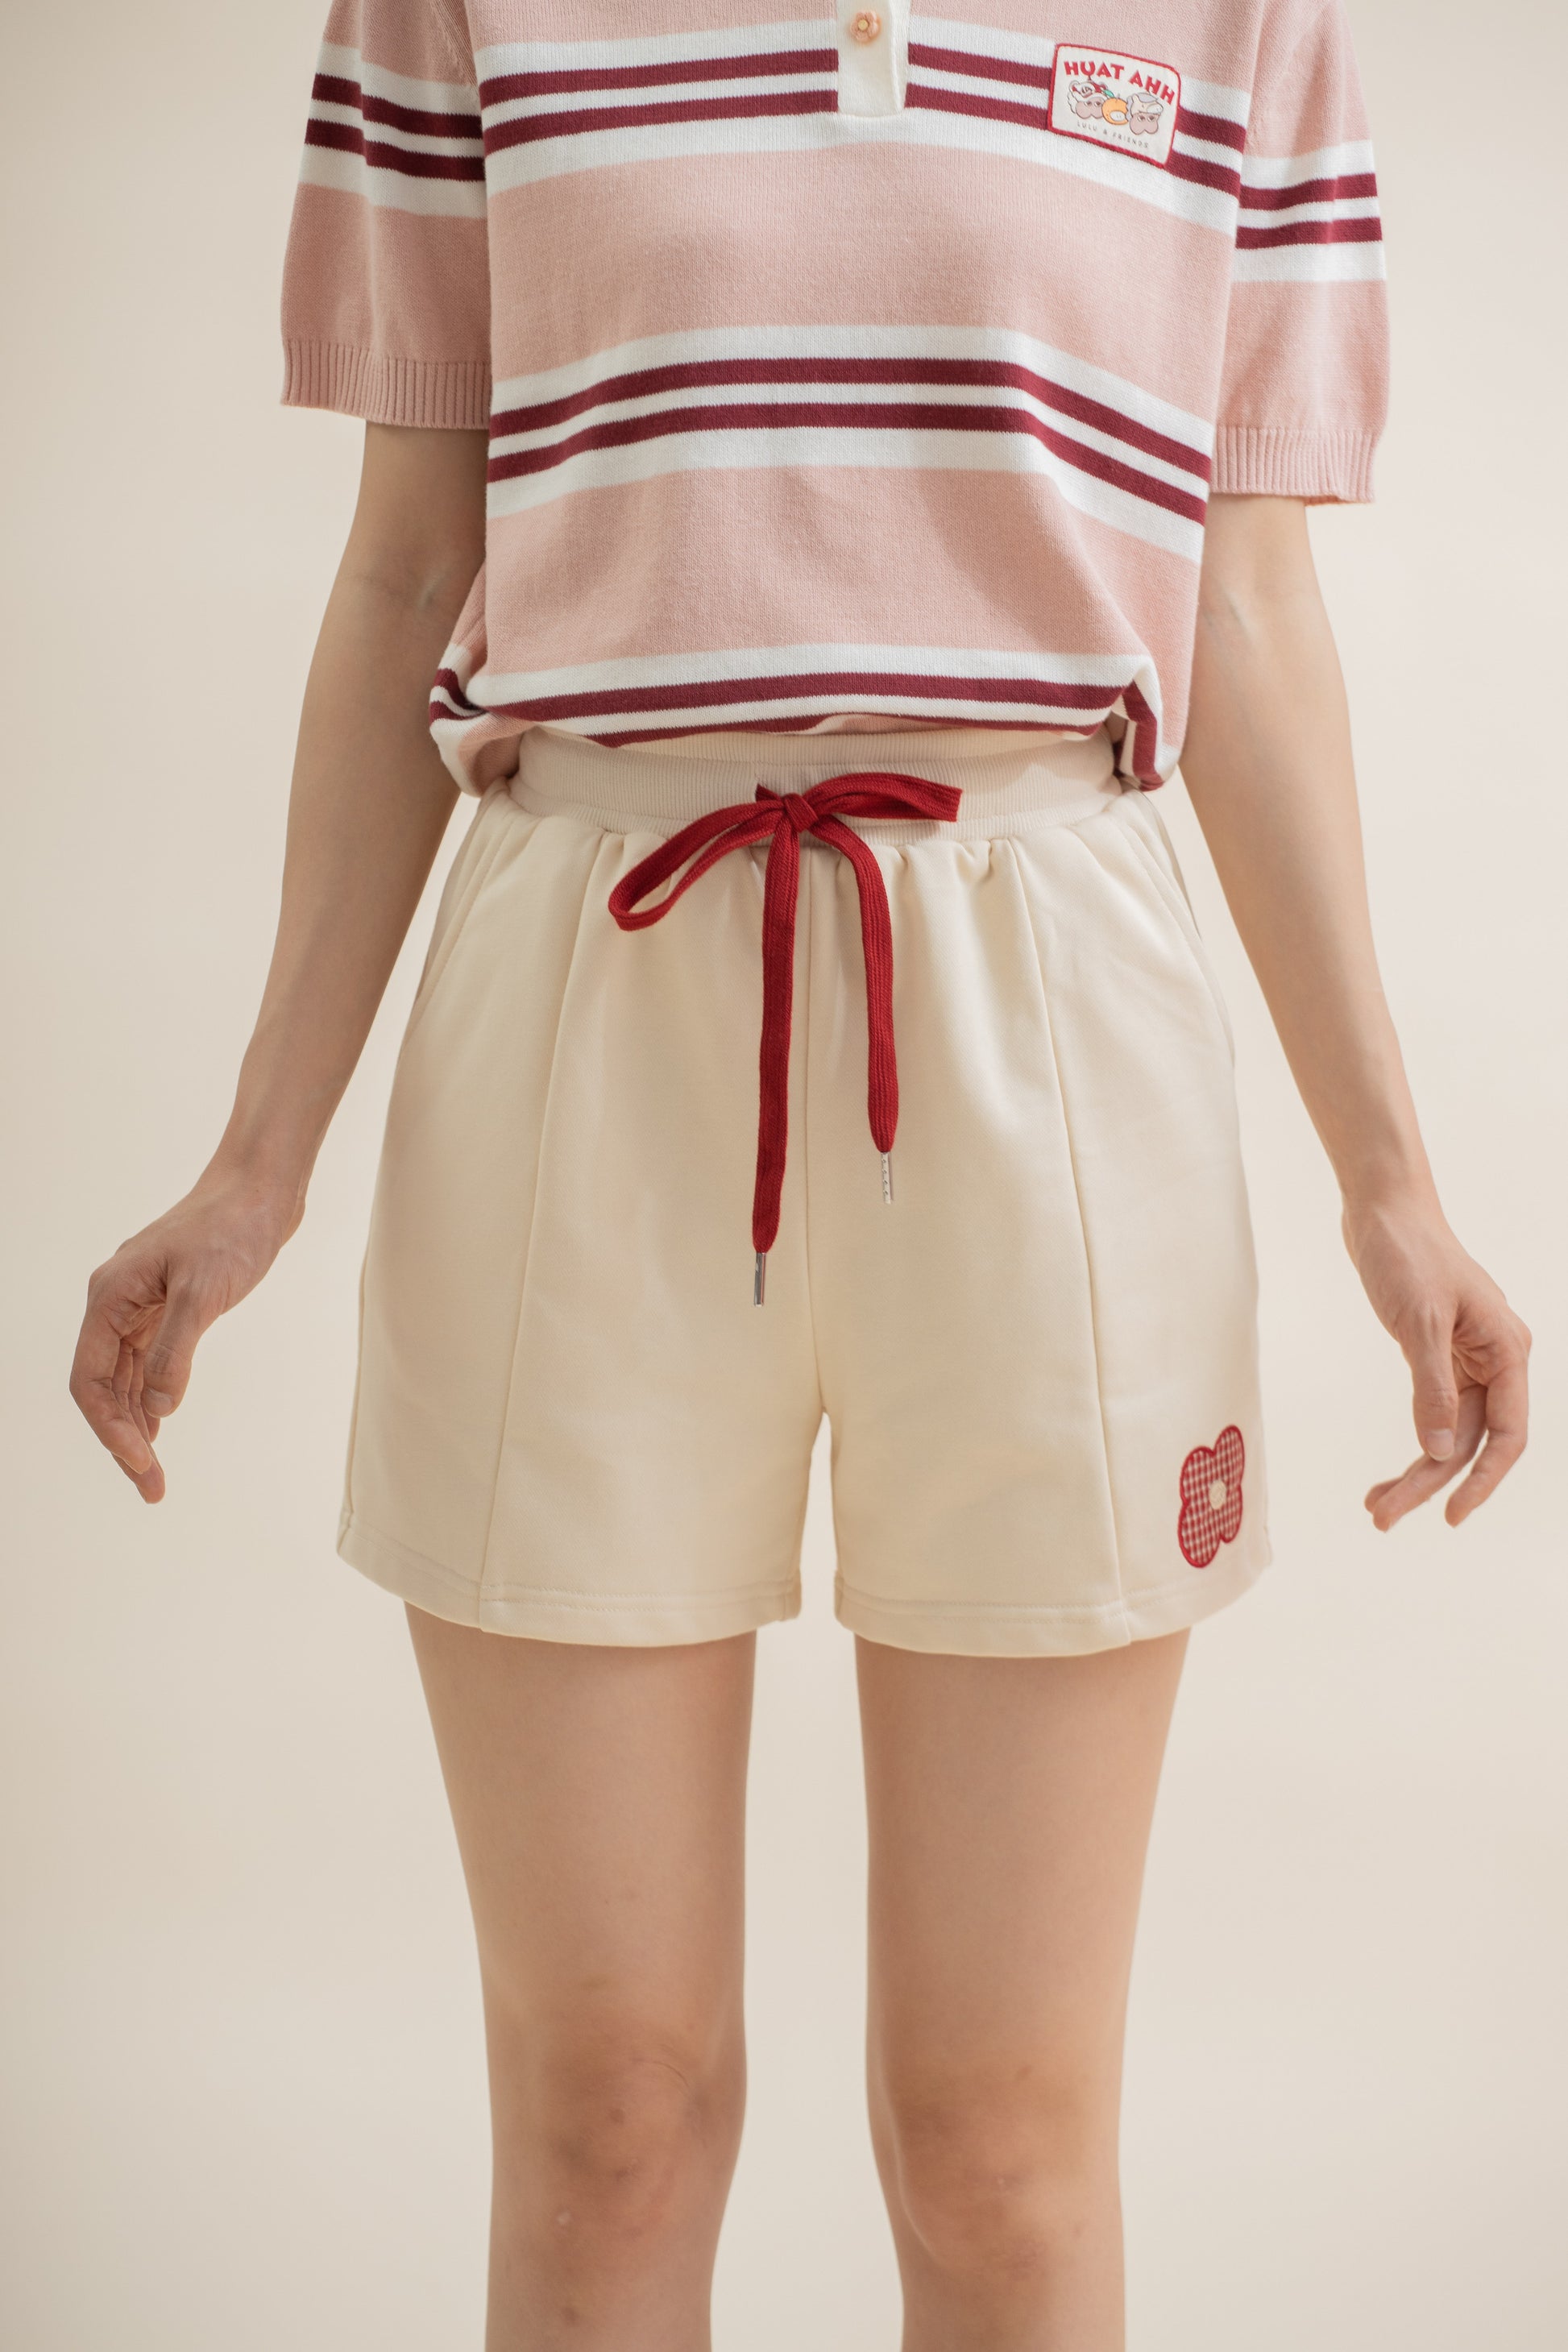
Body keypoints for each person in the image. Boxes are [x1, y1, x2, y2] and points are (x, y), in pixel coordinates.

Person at [70, 5, 1530, 2346]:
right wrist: (259, 1160)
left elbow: (1243, 598)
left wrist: (1393, 1178)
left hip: (1052, 999)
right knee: (608, 2120)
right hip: (584, 975)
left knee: (1000, 2144)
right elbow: (404, 572)